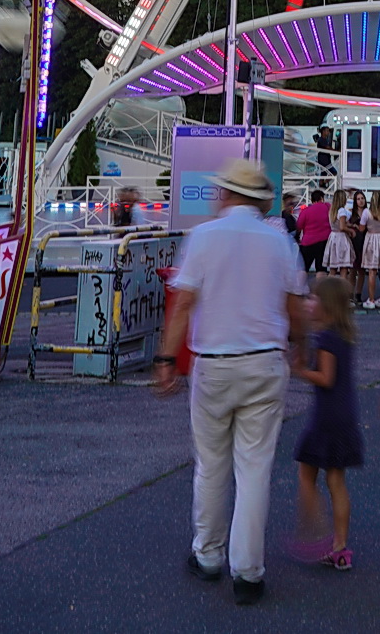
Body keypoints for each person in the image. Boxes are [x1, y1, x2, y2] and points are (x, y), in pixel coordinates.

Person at [155, 158, 307, 605]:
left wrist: (166, 358)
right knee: (255, 468)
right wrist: (301, 344)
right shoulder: (279, 242)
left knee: (211, 464)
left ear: (226, 194)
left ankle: (207, 554)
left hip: (215, 363)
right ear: (259, 200)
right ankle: (248, 570)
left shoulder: (203, 238)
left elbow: (183, 304)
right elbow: (295, 303)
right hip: (264, 361)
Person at [292, 275, 364, 569]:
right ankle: (340, 546)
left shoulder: (325, 339)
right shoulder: (344, 336)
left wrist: (299, 371)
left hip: (325, 418)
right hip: (345, 415)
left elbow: (325, 377)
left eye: (312, 298)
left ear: (327, 305)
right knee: (336, 480)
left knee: (306, 475)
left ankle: (316, 531)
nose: (308, 303)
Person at [297, 189, 332, 274]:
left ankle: (300, 286)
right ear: (322, 198)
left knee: (303, 268)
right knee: (321, 269)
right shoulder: (327, 207)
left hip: (308, 242)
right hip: (324, 241)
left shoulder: (306, 211)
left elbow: (299, 226)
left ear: (312, 200)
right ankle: (320, 287)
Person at [323, 191, 355, 281]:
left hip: (333, 237)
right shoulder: (341, 210)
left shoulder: (332, 210)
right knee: (343, 269)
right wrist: (351, 230)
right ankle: (342, 292)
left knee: (332, 270)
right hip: (341, 239)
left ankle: (329, 290)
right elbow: (342, 226)